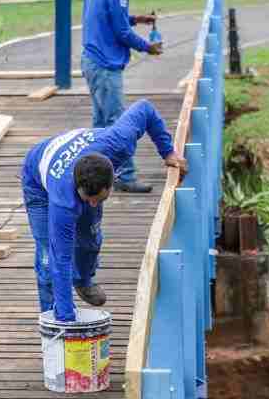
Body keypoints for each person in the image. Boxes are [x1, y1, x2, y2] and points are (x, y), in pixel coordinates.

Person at [20, 99, 188, 321]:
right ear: (77, 186)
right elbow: (60, 259)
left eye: (98, 199)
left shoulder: (120, 142)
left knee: (90, 240)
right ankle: (52, 321)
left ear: (113, 181)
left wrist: (167, 152)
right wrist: (68, 321)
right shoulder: (63, 202)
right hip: (37, 181)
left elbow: (145, 108)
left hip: (85, 160)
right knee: (48, 260)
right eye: (88, 199)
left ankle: (83, 281)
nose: (91, 205)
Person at [81, 0, 163, 194]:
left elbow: (108, 18)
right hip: (106, 66)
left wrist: (136, 18)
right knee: (118, 124)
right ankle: (125, 176)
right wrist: (147, 47)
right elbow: (122, 32)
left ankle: (93, 175)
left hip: (91, 62)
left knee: (101, 124)